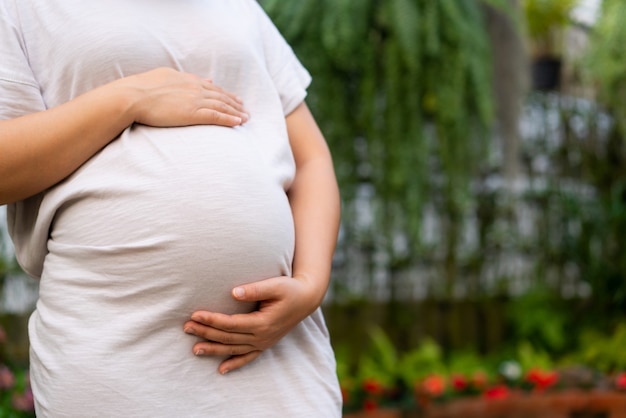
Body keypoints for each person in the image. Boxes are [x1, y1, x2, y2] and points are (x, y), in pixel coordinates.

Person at [0, 0, 342, 416]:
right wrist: (129, 98)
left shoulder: (239, 7)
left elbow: (311, 160)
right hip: (118, 355)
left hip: (277, 355)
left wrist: (310, 283)